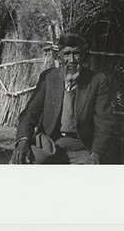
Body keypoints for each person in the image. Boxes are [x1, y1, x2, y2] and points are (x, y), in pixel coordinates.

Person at [10, 33, 113, 164]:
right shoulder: (48, 78)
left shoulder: (98, 81)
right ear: (59, 57)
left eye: (76, 54)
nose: (72, 60)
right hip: (50, 146)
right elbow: (30, 114)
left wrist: (96, 154)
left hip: (83, 150)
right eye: (67, 54)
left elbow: (104, 123)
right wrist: (23, 140)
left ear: (84, 57)